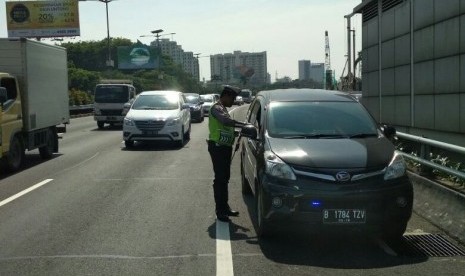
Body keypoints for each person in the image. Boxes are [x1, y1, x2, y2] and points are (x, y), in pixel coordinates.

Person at [207, 85, 245, 222]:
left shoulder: (222, 109)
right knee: (220, 179)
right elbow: (225, 121)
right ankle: (220, 211)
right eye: (232, 98)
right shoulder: (216, 108)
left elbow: (226, 128)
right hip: (218, 148)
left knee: (225, 179)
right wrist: (243, 125)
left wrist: (237, 132)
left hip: (224, 147)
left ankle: (225, 207)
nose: (233, 101)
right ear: (226, 96)